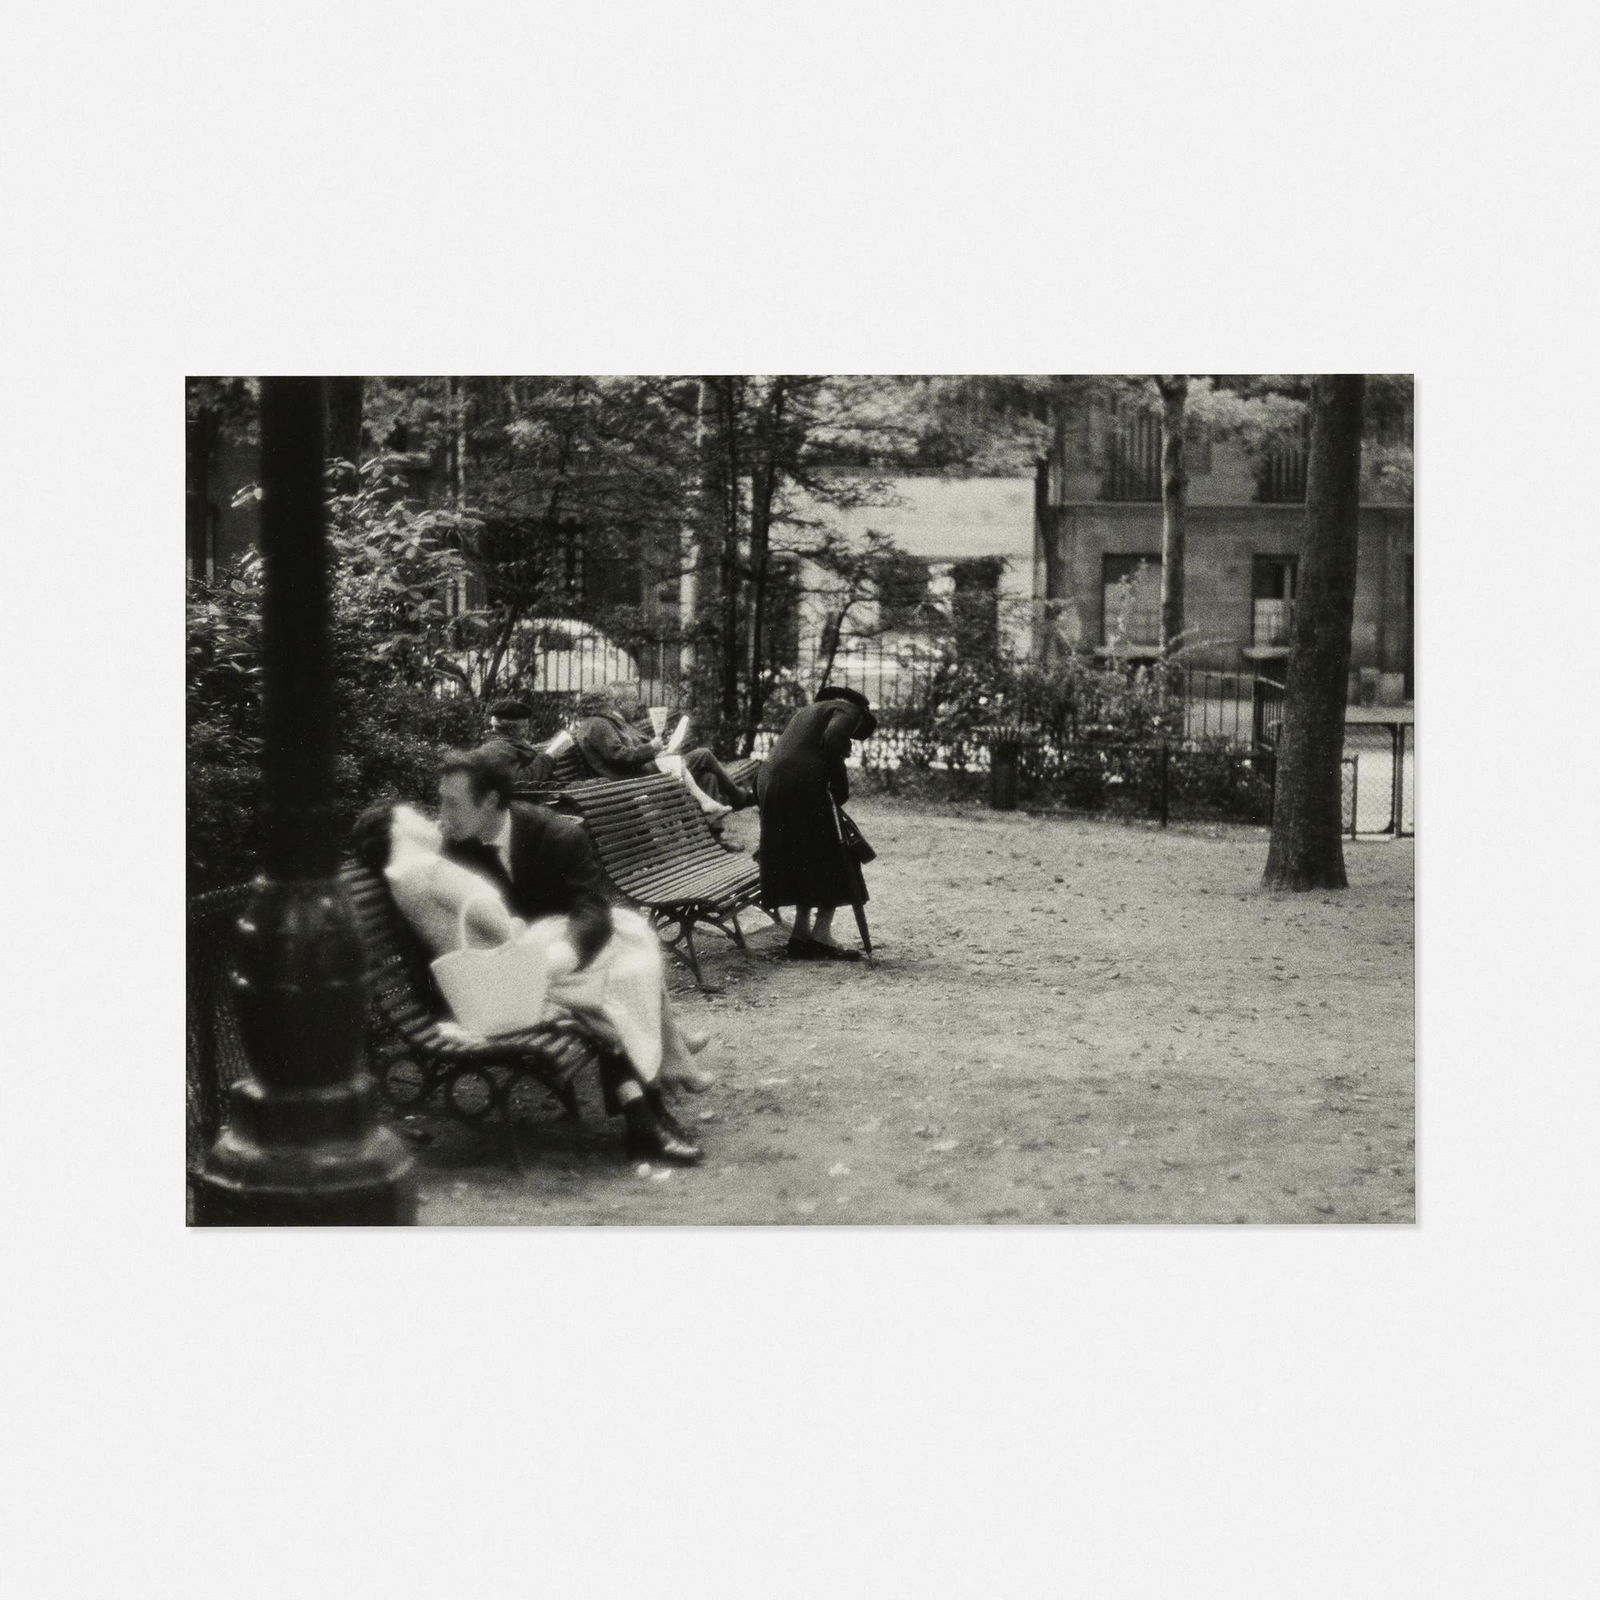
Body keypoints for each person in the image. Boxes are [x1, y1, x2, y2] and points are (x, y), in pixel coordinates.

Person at [756, 686, 876, 961]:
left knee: (805, 855)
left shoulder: (808, 712)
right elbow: (834, 738)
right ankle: (821, 934)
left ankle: (800, 934)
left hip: (771, 782)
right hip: (801, 785)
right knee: (835, 853)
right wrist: (839, 787)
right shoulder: (848, 709)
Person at [571, 683, 756, 814]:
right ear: (603, 702)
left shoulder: (596, 723)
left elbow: (620, 751)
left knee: (707, 775)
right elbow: (619, 755)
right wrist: (652, 749)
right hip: (630, 777)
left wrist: (656, 748)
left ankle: (712, 824)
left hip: (633, 772)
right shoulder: (597, 724)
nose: (612, 704)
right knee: (703, 756)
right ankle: (735, 798)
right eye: (610, 700)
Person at [480, 699, 554, 786]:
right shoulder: (499, 749)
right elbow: (518, 780)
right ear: (511, 729)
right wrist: (546, 759)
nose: (526, 731)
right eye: (524, 727)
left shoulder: (504, 742)